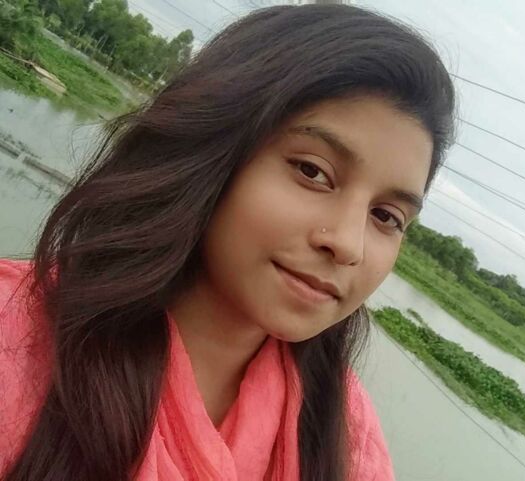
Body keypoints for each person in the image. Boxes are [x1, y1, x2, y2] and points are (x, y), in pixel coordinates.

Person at [0, 4, 455, 481]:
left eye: (386, 217)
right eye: (312, 171)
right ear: (216, 149)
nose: (348, 245)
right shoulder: (19, 338)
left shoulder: (348, 435)